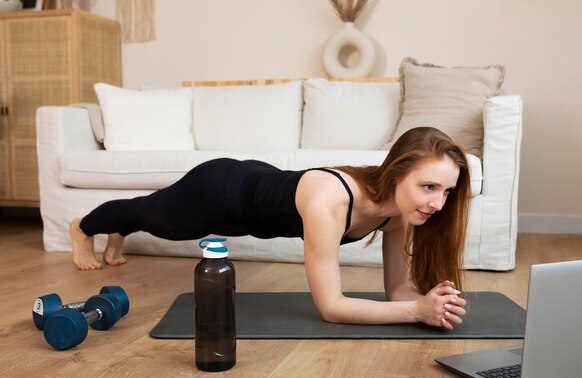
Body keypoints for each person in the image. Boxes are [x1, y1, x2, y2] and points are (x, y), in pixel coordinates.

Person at [71, 126, 471, 329]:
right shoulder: (330, 201)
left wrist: (429, 302)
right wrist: (416, 312)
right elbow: (331, 307)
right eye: (428, 187)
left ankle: (118, 229)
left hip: (256, 193)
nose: (438, 204)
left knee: (149, 216)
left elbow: (397, 291)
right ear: (397, 172)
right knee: (155, 217)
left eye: (447, 191)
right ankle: (86, 227)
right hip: (220, 191)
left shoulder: (399, 213)